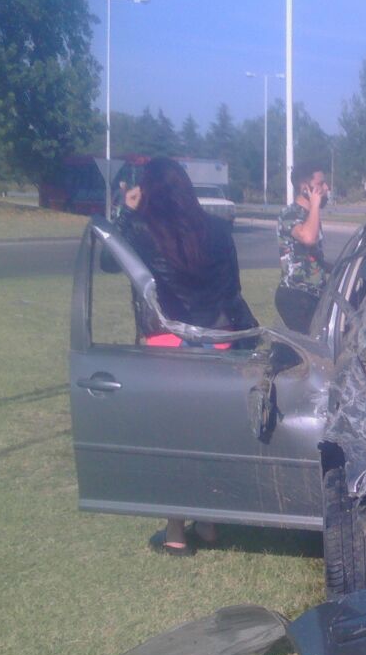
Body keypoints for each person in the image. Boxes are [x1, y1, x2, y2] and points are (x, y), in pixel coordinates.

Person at [110, 156, 258, 556]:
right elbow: (232, 288)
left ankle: (176, 532)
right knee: (211, 433)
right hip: (217, 339)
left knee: (172, 437)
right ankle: (209, 521)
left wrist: (126, 211)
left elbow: (109, 261)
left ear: (150, 191)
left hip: (166, 344)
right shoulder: (217, 229)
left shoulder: (142, 230)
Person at [275, 162, 331, 332]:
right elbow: (308, 238)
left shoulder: (309, 216)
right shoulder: (290, 213)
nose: (326, 188)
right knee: (307, 351)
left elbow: (311, 257)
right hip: (296, 297)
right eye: (320, 184)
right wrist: (315, 204)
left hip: (314, 296)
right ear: (305, 188)